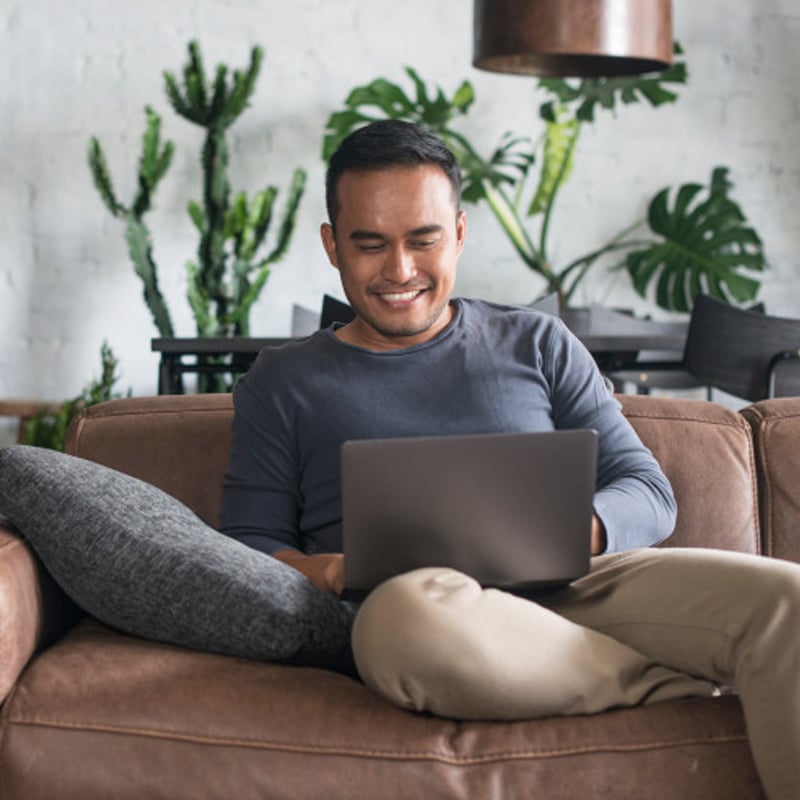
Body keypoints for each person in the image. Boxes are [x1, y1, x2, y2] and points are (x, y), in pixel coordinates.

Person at [217, 120, 799, 799]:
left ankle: (657, 664)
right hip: (430, 615)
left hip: (580, 590)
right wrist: (329, 569)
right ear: (332, 244)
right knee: (402, 625)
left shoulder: (537, 342)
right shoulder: (282, 381)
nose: (399, 271)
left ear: (459, 234)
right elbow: (246, 546)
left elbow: (648, 492)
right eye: (370, 244)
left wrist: (565, 532)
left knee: (788, 598)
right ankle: (675, 685)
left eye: (423, 240)